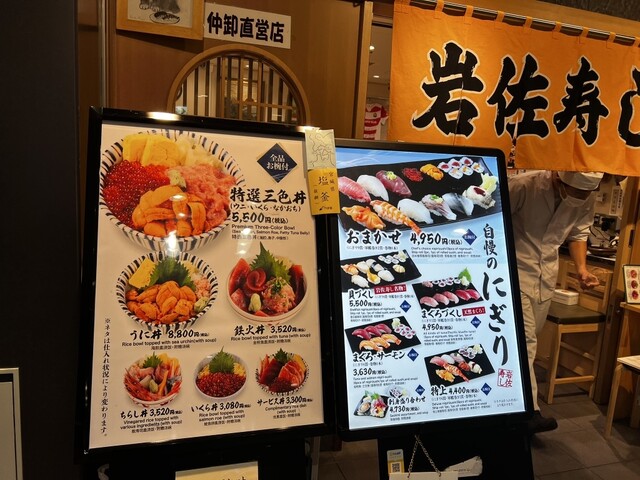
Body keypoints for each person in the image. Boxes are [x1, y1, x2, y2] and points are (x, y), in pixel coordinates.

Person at [508, 170, 603, 434]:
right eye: (577, 192)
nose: (581, 198)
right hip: (514, 270)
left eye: (586, 193)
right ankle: (528, 412)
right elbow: (494, 219)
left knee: (530, 338)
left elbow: (579, 234)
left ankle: (509, 402)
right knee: (525, 341)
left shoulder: (586, 198)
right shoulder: (523, 186)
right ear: (558, 179)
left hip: (546, 274)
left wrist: (582, 269)